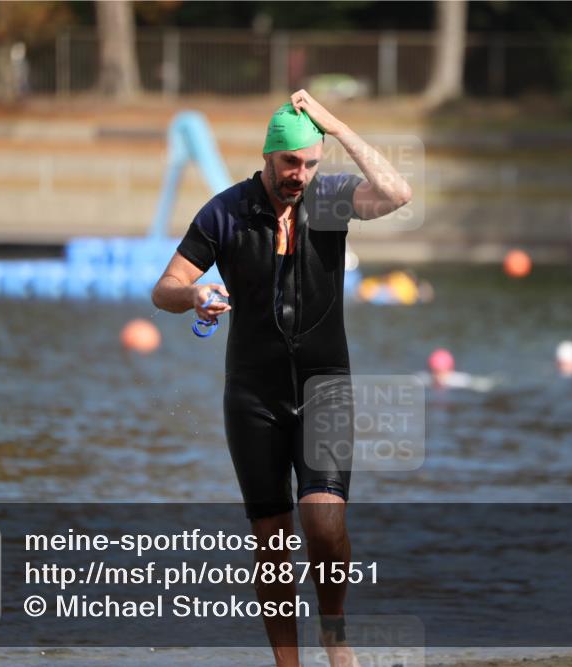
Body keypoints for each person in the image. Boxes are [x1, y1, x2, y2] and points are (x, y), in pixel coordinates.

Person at [152, 90, 412, 667]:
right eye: (290, 162)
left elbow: (398, 193)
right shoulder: (225, 212)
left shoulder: (331, 201)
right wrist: (193, 294)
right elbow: (163, 288)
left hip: (325, 386)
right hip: (253, 395)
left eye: (310, 163)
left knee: (324, 522)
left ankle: (335, 636)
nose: (300, 174)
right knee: (271, 540)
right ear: (268, 156)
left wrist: (336, 126)